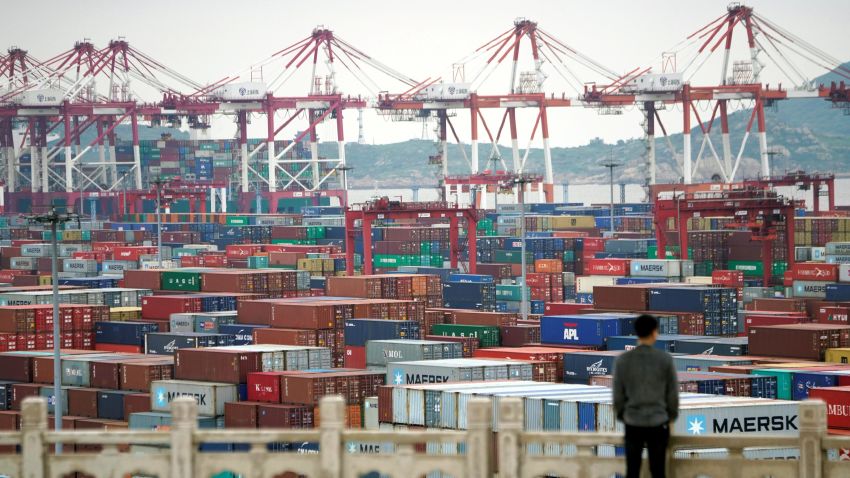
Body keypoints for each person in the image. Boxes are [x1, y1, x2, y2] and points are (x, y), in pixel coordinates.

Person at [613, 314, 679, 478]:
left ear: (636, 333)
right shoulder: (665, 359)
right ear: (654, 332)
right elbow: (672, 395)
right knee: (658, 471)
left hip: (633, 422)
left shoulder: (623, 360)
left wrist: (624, 415)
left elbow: (618, 396)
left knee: (632, 470)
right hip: (658, 423)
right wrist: (668, 416)